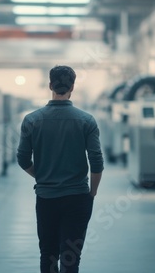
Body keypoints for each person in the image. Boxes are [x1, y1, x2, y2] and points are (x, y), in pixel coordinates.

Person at [17, 65, 104, 273]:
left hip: (46, 197)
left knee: (48, 254)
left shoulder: (32, 120)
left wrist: (43, 177)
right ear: (72, 87)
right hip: (77, 197)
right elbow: (97, 161)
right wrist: (92, 192)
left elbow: (22, 158)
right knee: (71, 257)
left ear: (50, 86)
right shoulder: (86, 120)